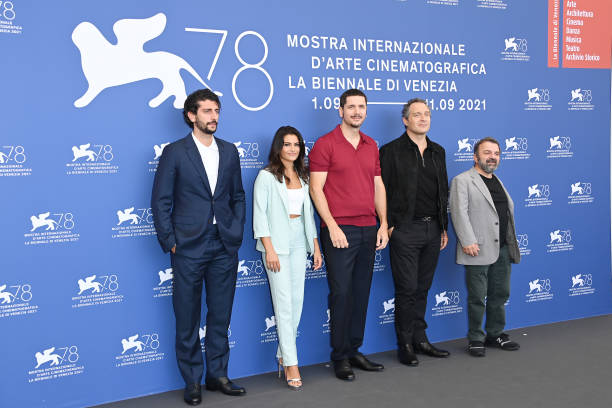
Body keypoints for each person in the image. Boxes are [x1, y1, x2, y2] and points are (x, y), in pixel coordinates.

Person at [151, 89, 246, 405]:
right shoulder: (175, 152)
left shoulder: (230, 151)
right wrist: (171, 242)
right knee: (187, 315)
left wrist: (236, 229)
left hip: (224, 244)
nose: (213, 116)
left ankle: (218, 375)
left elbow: (237, 197)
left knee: (221, 314)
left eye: (216, 110)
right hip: (188, 246)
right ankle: (192, 380)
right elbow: (161, 200)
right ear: (191, 115)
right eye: (206, 111)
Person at [308, 88, 389, 381]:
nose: (357, 111)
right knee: (341, 294)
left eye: (361, 107)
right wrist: (331, 225)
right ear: (340, 110)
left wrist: (383, 223)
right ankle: (340, 355)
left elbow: (378, 186)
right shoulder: (325, 144)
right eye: (351, 107)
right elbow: (316, 188)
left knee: (361, 293)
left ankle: (355, 349)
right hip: (340, 230)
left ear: (366, 111)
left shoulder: (371, 145)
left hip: (369, 229)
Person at [379, 98, 450, 366]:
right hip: (404, 229)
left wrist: (443, 226)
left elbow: (442, 191)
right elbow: (381, 189)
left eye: (427, 114)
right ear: (405, 120)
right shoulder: (391, 151)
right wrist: (388, 223)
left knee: (423, 287)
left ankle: (421, 339)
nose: (423, 118)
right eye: (416, 114)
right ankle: (405, 344)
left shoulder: (438, 152)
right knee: (407, 288)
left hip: (433, 229)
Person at [253, 126, 322, 390]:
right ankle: (292, 363)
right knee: (283, 304)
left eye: (296, 145)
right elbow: (260, 215)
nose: (292, 149)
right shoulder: (266, 176)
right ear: (278, 147)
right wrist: (269, 248)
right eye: (287, 144)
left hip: (298, 241)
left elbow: (308, 216)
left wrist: (315, 246)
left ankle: (283, 352)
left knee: (297, 302)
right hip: (277, 244)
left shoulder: (303, 176)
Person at [449, 137, 521, 357]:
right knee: (478, 297)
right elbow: (459, 212)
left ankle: (495, 334)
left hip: (502, 248)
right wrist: (467, 240)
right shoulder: (463, 180)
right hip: (476, 248)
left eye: (496, 153)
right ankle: (475, 338)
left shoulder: (497, 181)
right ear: (475, 156)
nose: (492, 157)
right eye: (487, 152)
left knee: (500, 293)